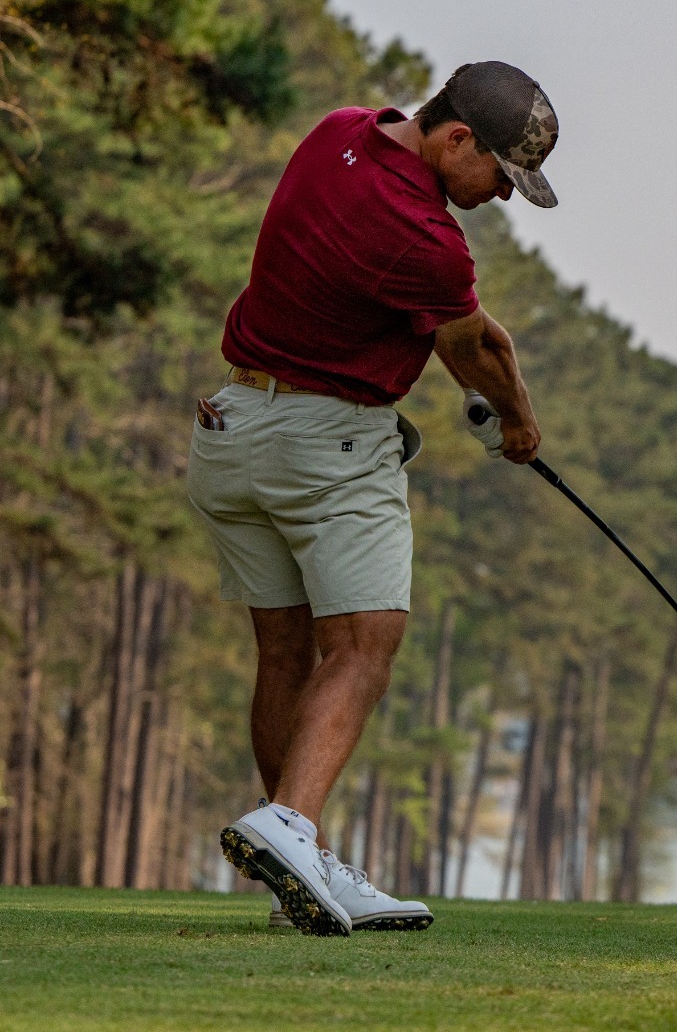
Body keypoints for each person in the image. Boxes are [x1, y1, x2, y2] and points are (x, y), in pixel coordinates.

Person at [187, 62, 557, 936]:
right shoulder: (428, 239)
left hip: (231, 428)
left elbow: (467, 324)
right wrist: (519, 423)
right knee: (363, 647)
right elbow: (470, 351)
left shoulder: (337, 131)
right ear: (457, 137)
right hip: (327, 447)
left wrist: (493, 361)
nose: (503, 195)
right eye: (502, 174)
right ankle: (289, 825)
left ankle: (298, 871)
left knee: (284, 652)